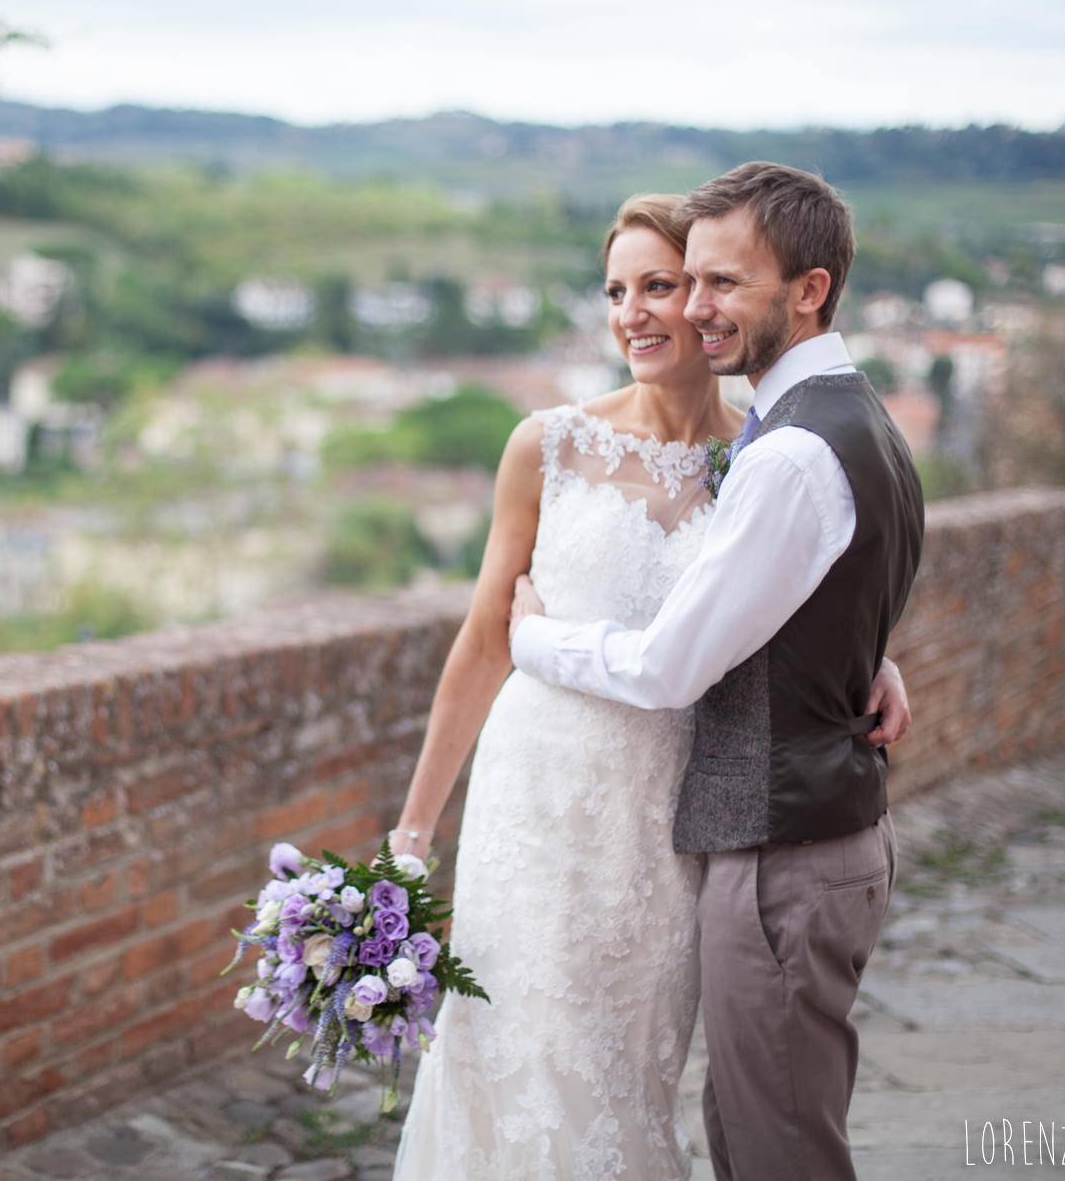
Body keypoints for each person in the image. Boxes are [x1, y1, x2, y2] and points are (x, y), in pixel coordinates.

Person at [387, 190, 912, 1181]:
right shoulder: (548, 444)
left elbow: (789, 585)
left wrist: (873, 658)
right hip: (535, 799)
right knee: (518, 1058)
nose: (633, 311)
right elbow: (484, 641)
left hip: (673, 806)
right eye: (616, 289)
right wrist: (414, 831)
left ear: (716, 302)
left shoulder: (760, 451)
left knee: (629, 1071)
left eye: (665, 285)